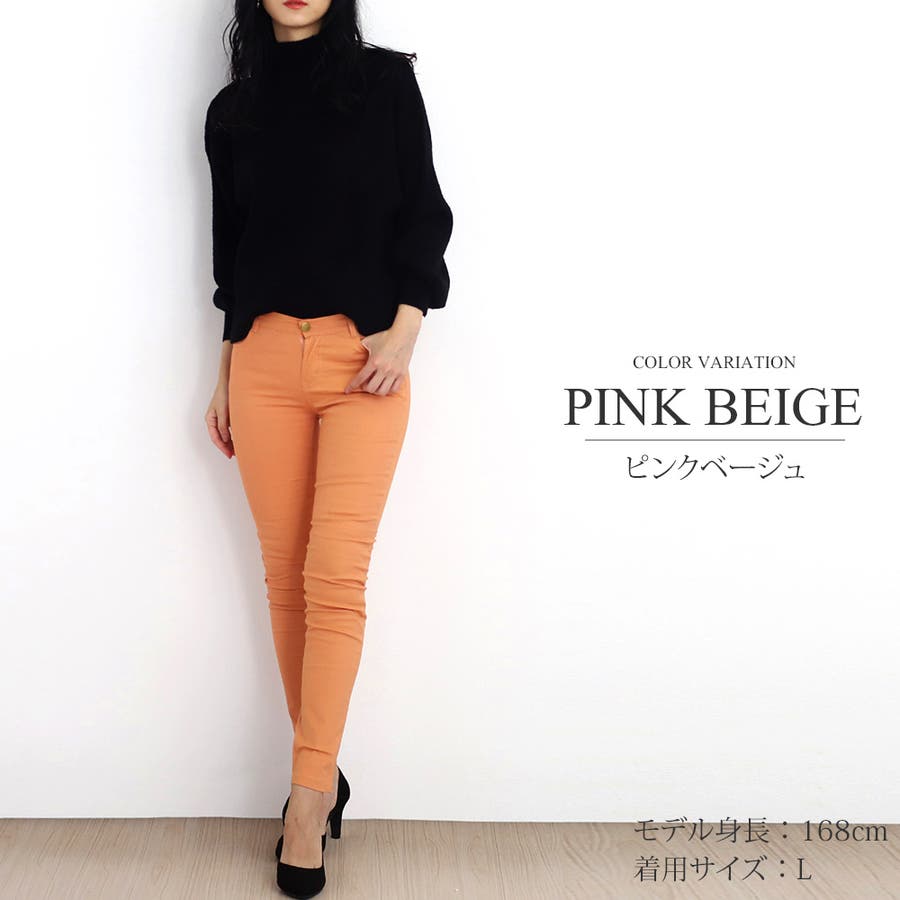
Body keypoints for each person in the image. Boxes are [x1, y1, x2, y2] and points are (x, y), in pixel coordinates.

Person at [202, 0, 453, 896]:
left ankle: (306, 801)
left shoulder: (383, 81)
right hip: (263, 359)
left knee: (333, 576)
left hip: (364, 360)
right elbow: (232, 255)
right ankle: (324, 774)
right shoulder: (233, 110)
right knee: (284, 579)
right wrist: (225, 372)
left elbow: (423, 209)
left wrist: (407, 328)